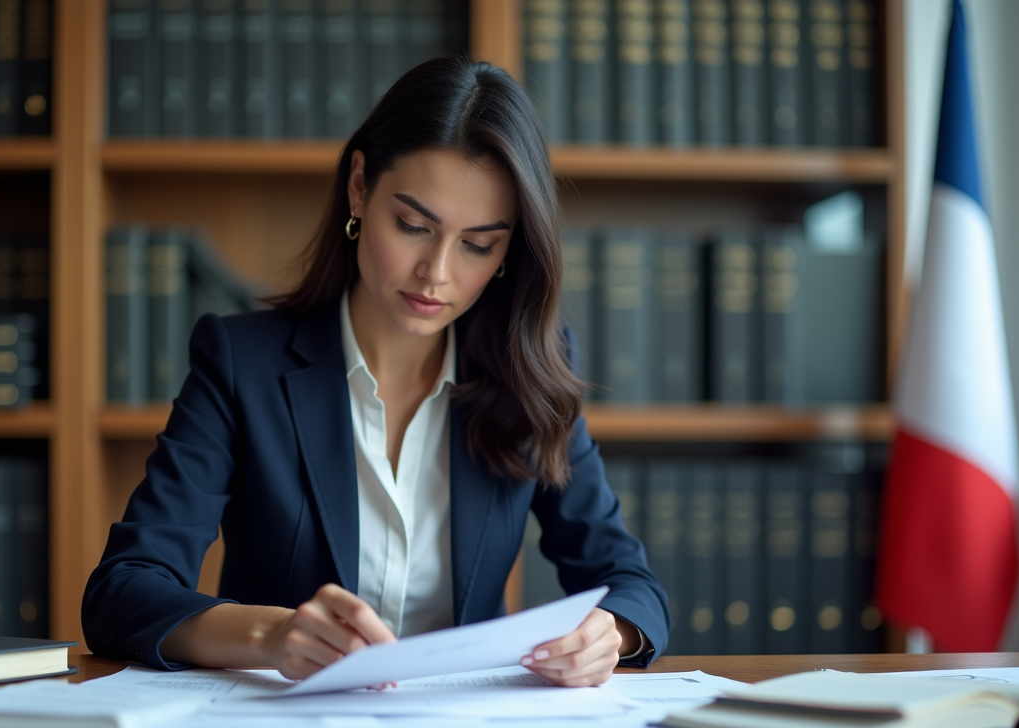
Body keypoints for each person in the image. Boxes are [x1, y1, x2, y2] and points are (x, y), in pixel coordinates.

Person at [82, 56, 670, 688]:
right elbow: (123, 590)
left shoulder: (530, 377)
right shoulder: (240, 363)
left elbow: (632, 586)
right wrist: (272, 634)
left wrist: (609, 633)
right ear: (359, 186)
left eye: (479, 244)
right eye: (413, 226)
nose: (437, 273)